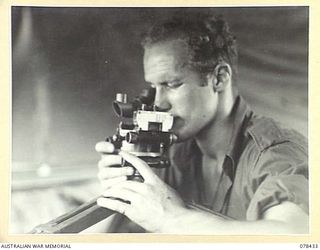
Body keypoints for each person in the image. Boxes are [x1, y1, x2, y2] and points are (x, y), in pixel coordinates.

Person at [95, 12, 308, 234]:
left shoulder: (276, 152)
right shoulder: (172, 150)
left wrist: (170, 219)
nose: (159, 103)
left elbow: (294, 236)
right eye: (154, 87)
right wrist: (124, 183)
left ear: (219, 78)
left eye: (172, 84)